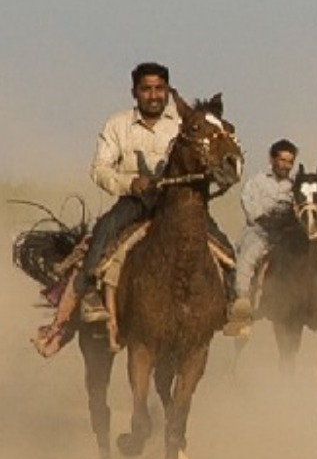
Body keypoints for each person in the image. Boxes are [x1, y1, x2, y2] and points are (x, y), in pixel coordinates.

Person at [77, 62, 240, 321]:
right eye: (146, 89)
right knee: (104, 230)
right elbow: (99, 169)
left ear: (167, 91)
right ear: (135, 92)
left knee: (225, 247)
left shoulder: (185, 123)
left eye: (159, 89)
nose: (153, 95)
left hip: (179, 203)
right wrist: (130, 183)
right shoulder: (117, 125)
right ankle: (88, 293)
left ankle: (233, 300)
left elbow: (207, 155)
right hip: (135, 201)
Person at [234, 139, 317, 323]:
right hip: (263, 231)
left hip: (291, 233)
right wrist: (269, 221)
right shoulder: (256, 183)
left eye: (289, 161)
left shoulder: (296, 185)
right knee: (249, 255)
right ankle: (242, 305)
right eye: (282, 160)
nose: (285, 165)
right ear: (272, 158)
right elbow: (250, 207)